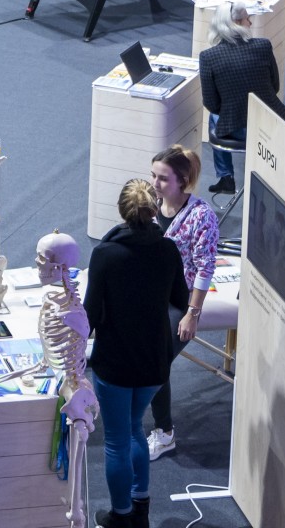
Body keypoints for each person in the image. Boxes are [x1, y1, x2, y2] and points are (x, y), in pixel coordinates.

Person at [84, 179, 183, 528]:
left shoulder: (105, 254)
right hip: (154, 362)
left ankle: (120, 515)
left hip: (116, 363)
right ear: (154, 209)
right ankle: (140, 509)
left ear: (122, 211)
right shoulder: (168, 249)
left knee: (116, 441)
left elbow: (90, 314)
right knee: (136, 429)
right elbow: (181, 300)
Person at [143, 146, 221, 461]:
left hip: (180, 299)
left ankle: (165, 434)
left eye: (163, 178)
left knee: (157, 361)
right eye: (153, 175)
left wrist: (192, 314)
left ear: (183, 181)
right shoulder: (151, 205)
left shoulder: (201, 216)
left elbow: (205, 267)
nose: (155, 183)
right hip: (149, 293)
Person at [197, 5, 285, 194]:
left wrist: (231, 109)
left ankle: (226, 177)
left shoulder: (208, 57)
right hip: (272, 124)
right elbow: (275, 87)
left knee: (215, 117)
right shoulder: (263, 45)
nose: (251, 22)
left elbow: (211, 104)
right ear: (236, 23)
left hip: (238, 130)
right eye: (248, 18)